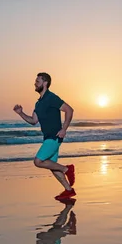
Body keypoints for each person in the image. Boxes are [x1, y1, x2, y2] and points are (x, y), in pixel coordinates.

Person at [13, 72, 76, 200]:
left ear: (45, 83)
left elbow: (69, 110)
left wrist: (64, 129)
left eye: (37, 81)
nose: (35, 84)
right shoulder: (38, 103)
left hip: (55, 136)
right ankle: (69, 190)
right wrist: (20, 113)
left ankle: (67, 169)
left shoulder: (51, 97)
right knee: (51, 165)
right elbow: (33, 121)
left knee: (38, 161)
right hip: (48, 137)